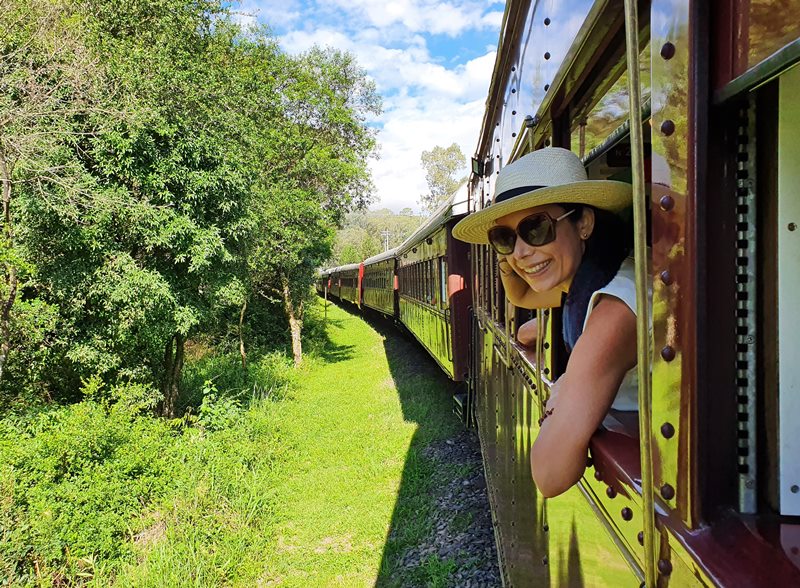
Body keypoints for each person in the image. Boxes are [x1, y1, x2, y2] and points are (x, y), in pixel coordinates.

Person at [452, 147, 641, 498]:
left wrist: (565, 387)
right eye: (505, 237)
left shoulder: (614, 309)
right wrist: (511, 257)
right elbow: (521, 298)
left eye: (536, 228)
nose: (521, 250)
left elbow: (549, 474)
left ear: (583, 223)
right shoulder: (592, 278)